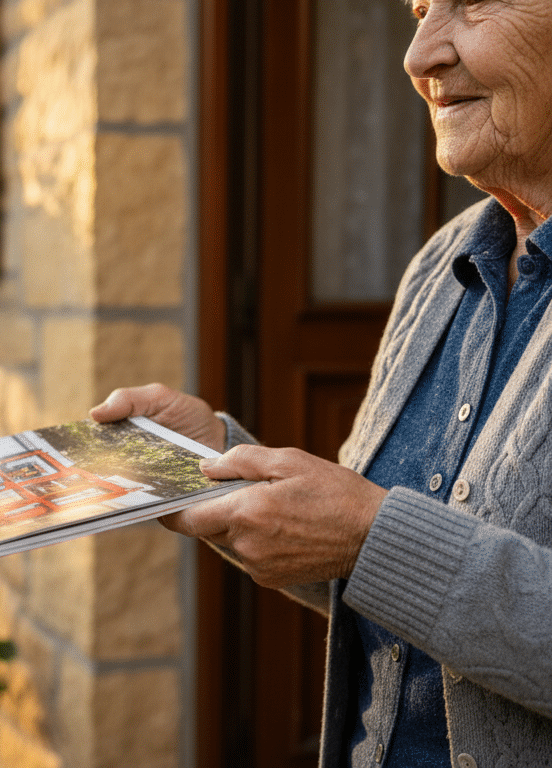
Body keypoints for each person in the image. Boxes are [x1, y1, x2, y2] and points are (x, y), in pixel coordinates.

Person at [92, 2, 552, 766]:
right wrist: (217, 460)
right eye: (418, 8)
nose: (419, 56)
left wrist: (371, 535)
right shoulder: (444, 263)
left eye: (471, 3)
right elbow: (371, 565)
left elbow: (377, 541)